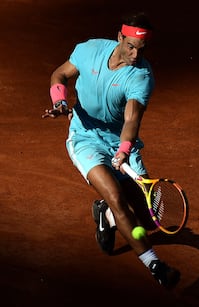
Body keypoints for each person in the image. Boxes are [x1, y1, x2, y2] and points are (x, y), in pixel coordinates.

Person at [41, 12, 180, 289]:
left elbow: (131, 120)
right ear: (119, 37)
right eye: (130, 46)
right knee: (118, 198)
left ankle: (105, 214)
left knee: (148, 220)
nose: (134, 54)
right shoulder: (89, 50)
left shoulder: (141, 77)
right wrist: (60, 102)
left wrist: (124, 150)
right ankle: (155, 264)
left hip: (120, 142)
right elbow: (60, 74)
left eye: (141, 49)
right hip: (84, 138)